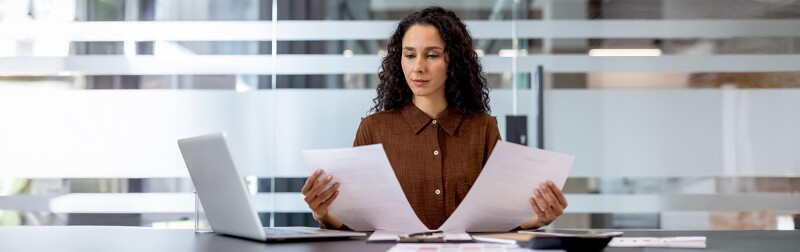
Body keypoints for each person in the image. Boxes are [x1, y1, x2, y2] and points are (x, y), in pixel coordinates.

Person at [301, 6, 568, 231]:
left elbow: (499, 222)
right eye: (409, 55)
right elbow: (356, 225)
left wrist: (538, 218)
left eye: (431, 55)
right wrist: (323, 213)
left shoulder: (483, 128)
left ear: (453, 62)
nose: (418, 66)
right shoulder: (373, 129)